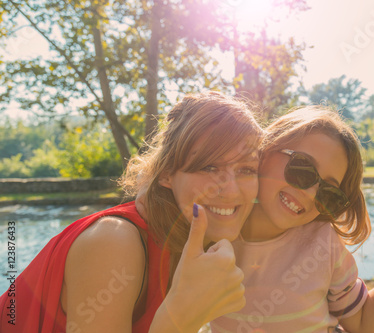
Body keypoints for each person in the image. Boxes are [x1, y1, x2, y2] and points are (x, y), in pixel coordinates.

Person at [0, 91, 263, 332]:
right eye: (209, 167)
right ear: (167, 174)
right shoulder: (114, 242)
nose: (230, 190)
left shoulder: (193, 247)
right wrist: (181, 317)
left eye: (246, 170)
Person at [211, 106, 374, 333]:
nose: (310, 193)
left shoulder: (324, 245)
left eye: (328, 192)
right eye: (302, 168)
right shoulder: (210, 232)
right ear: (266, 150)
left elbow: (362, 323)